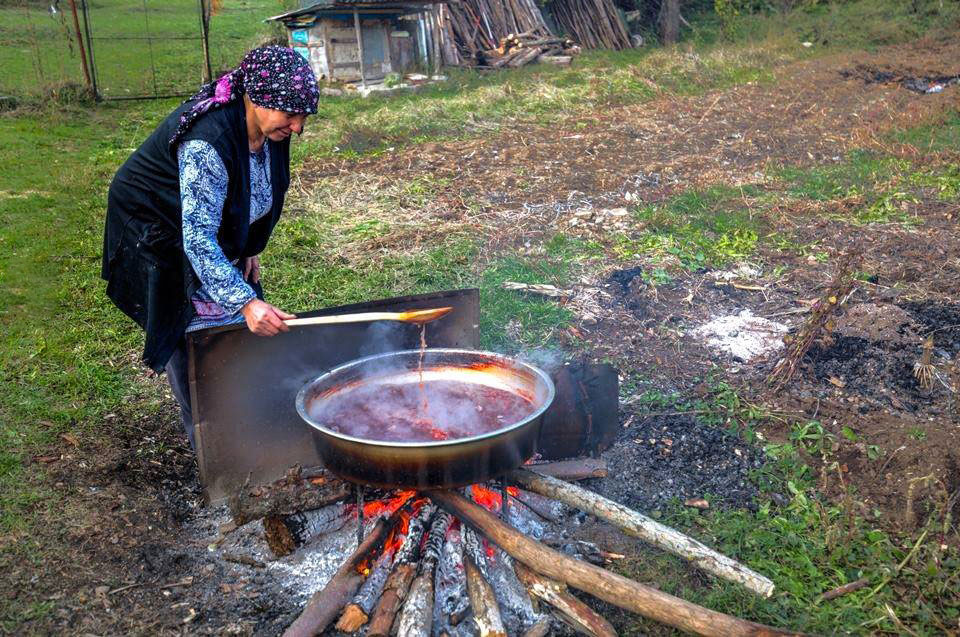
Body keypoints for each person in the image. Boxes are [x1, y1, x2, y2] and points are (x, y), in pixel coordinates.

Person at [101, 46, 320, 448]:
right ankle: (212, 446)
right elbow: (197, 237)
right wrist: (245, 303)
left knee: (240, 332)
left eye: (304, 116)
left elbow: (254, 192)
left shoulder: (270, 131)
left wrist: (247, 244)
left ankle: (249, 425)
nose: (299, 128)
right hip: (155, 226)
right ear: (256, 99)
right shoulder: (209, 142)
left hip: (196, 226)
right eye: (291, 115)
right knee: (192, 334)